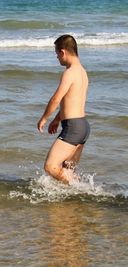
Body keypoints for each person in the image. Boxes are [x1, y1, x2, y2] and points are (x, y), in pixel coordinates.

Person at [37, 34, 90, 184]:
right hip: (83, 127)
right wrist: (56, 120)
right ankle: (74, 196)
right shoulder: (83, 72)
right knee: (67, 168)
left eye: (57, 54)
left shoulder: (69, 73)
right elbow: (71, 102)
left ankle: (78, 188)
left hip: (73, 128)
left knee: (50, 166)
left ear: (63, 52)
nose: (57, 58)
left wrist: (44, 118)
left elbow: (56, 99)